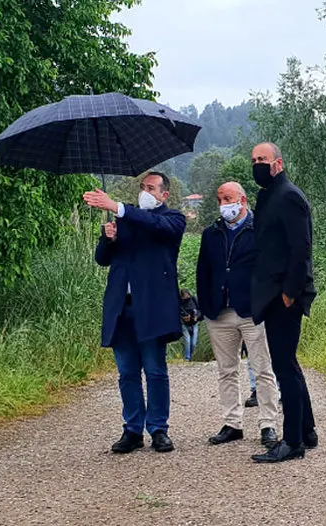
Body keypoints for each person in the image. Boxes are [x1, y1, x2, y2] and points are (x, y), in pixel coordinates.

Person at [84, 172, 186, 454]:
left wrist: (116, 206)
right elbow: (103, 260)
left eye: (150, 188)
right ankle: (132, 429)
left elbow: (154, 225)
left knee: (155, 371)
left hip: (151, 309)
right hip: (122, 307)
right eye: (142, 187)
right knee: (127, 372)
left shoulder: (172, 219)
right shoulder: (125, 220)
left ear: (164, 194)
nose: (144, 191)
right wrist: (108, 239)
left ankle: (158, 428)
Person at [196, 181, 281, 450]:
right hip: (219, 311)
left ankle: (269, 424)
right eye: (220, 199)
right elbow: (203, 270)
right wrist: (205, 304)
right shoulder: (212, 233)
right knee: (226, 370)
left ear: (243, 201)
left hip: (252, 310)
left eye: (228, 198)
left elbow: (271, 268)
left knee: (263, 369)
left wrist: (267, 302)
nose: (223, 204)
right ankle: (232, 423)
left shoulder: (260, 230)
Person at [248, 142, 318, 464]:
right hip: (273, 292)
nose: (257, 164)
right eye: (254, 160)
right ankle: (306, 430)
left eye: (262, 159)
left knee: (284, 367)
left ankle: (292, 442)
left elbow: (301, 249)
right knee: (287, 363)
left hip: (285, 296)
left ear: (278, 163)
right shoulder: (269, 195)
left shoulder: (289, 195)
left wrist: (290, 292)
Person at [179, 289, 201, 361]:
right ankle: (187, 358)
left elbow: (200, 310)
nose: (186, 298)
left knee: (194, 342)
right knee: (187, 340)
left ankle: (192, 356)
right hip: (184, 324)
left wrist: (196, 316)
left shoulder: (194, 299)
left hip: (194, 323)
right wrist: (183, 317)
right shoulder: (179, 302)